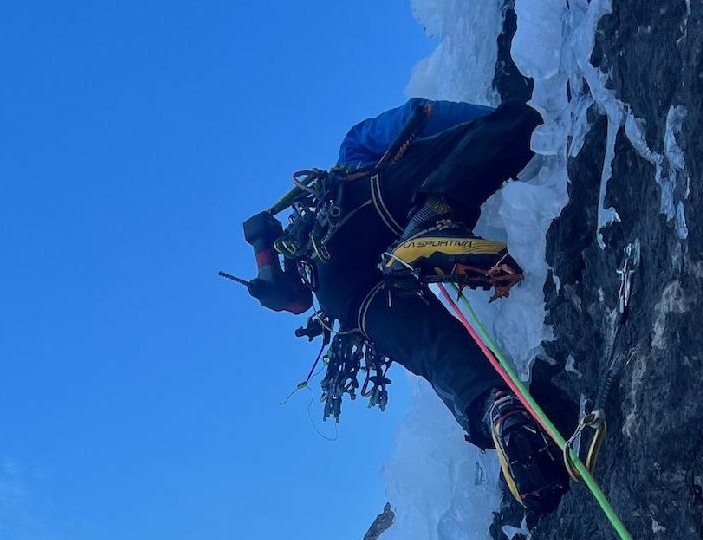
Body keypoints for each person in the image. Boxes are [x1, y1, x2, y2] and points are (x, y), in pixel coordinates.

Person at [241, 98, 567, 516]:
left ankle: (500, 413)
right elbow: (420, 113)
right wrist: (486, 122)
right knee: (520, 120)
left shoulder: (307, 247)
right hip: (372, 208)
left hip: (342, 295)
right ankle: (434, 217)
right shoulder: (352, 150)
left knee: (430, 345)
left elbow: (299, 301)